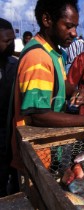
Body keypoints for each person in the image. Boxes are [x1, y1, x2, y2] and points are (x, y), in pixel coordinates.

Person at [11, 0, 84, 173]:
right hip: (37, 153)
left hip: (49, 145)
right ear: (47, 20)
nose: (74, 33)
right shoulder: (38, 58)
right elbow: (38, 114)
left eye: (75, 27)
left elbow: (61, 84)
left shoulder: (54, 52)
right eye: (68, 26)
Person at [0, 18, 19, 197]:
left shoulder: (14, 66)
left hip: (10, 137)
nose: (12, 44)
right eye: (6, 41)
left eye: (12, 39)